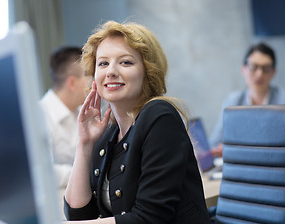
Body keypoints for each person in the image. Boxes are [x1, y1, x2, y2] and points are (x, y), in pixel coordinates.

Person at [64, 21, 211, 224]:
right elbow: (78, 215)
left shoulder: (159, 116)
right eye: (103, 63)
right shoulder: (108, 133)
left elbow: (149, 219)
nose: (111, 71)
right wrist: (85, 144)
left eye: (125, 62)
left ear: (148, 72)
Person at [209, 42, 285, 157]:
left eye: (266, 68)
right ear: (243, 69)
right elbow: (215, 143)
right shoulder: (233, 102)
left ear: (273, 72)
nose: (259, 74)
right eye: (253, 67)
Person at [40, 46, 91, 188]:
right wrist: (87, 173)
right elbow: (45, 173)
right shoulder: (41, 116)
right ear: (72, 83)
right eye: (87, 75)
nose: (93, 84)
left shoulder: (84, 112)